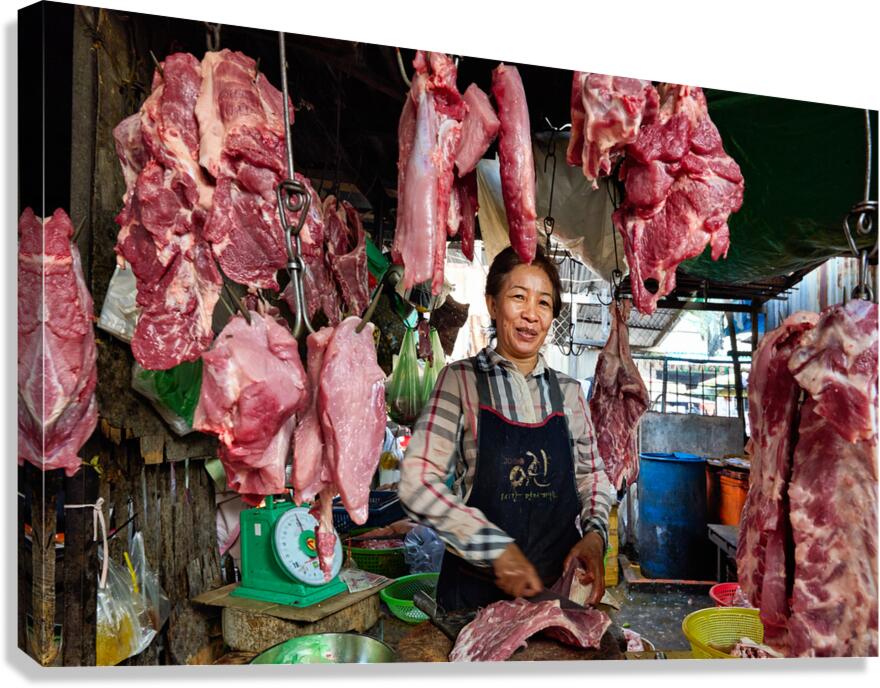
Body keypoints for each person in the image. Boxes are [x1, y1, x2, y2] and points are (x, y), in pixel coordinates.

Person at [399, 245, 614, 611]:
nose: (531, 314)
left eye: (544, 303)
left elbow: (592, 477)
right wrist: (492, 547)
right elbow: (416, 484)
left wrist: (595, 535)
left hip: (555, 596)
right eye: (519, 297)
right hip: (473, 596)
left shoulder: (569, 393)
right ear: (493, 304)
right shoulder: (460, 380)